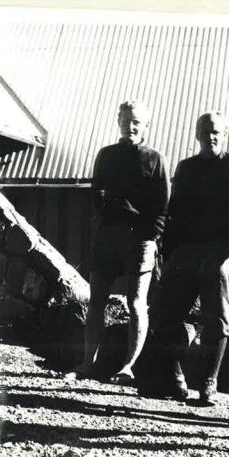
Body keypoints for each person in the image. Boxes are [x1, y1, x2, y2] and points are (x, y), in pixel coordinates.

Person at [140, 111, 229, 403]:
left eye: (216, 131)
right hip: (186, 250)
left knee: (218, 318)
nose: (211, 136)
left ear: (225, 133)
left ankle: (209, 383)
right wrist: (171, 251)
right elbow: (175, 211)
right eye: (205, 131)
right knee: (165, 313)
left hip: (220, 252)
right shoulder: (187, 168)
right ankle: (176, 379)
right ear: (197, 134)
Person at [65, 100, 170, 384]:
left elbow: (163, 204)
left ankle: (128, 366)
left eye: (136, 122)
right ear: (119, 122)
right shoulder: (106, 154)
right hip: (108, 235)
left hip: (140, 239)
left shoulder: (155, 158)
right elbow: (96, 188)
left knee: (137, 304)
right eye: (126, 121)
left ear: (145, 126)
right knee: (96, 299)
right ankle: (88, 361)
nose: (130, 126)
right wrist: (106, 212)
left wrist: (150, 235)